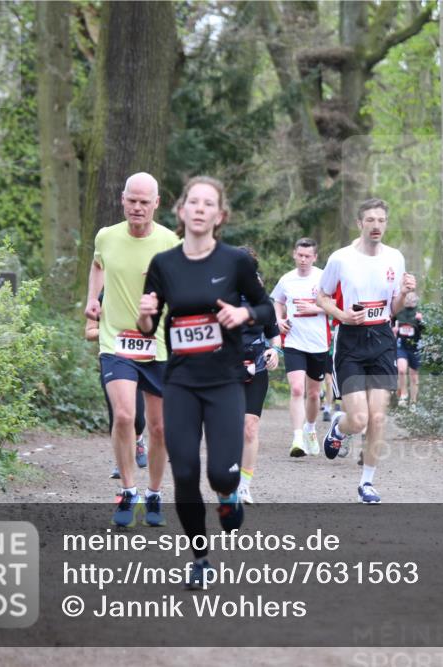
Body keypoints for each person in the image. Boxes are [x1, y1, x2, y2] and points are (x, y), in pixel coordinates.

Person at [137, 176, 274, 588]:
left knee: (221, 474)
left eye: (207, 203)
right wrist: (145, 313)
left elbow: (268, 310)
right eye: (192, 202)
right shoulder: (164, 265)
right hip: (180, 381)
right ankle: (199, 556)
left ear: (219, 215)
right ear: (181, 212)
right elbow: (147, 328)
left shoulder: (236, 262)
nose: (198, 208)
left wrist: (244, 315)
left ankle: (229, 497)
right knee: (183, 473)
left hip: (225, 381)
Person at [84, 172, 179, 528]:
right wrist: (93, 299)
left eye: (145, 202)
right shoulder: (106, 237)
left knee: (160, 428)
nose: (137, 208)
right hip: (115, 342)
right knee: (124, 416)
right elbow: (97, 265)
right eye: (132, 201)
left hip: (159, 347)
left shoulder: (170, 242)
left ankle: (154, 493)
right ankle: (128, 491)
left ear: (156, 204)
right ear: (122, 200)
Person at [317, 198, 415, 504]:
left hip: (383, 339)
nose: (376, 226)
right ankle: (339, 427)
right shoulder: (341, 258)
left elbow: (394, 307)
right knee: (358, 419)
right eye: (370, 220)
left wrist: (406, 293)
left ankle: (367, 483)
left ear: (386, 223)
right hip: (350, 341)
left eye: (381, 220)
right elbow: (321, 296)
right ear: (360, 224)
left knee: (378, 418)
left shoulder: (395, 258)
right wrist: (343, 316)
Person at [270, 238, 330, 457]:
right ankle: (297, 438)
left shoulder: (324, 277)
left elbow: (337, 307)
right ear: (294, 254)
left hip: (318, 343)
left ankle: (310, 429)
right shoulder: (286, 279)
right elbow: (277, 300)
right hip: (294, 341)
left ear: (315, 257)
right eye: (300, 255)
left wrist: (316, 308)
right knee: (297, 389)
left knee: (313, 394)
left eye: (308, 256)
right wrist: (278, 320)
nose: (303, 260)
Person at [84, 291, 148, 478]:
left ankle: (138, 440)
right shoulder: (102, 297)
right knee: (118, 415)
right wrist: (113, 331)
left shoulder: (139, 292)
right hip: (112, 359)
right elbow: (89, 333)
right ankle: (121, 463)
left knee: (137, 417)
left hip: (139, 360)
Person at [237, 246, 281, 505]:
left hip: (257, 365)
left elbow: (274, 333)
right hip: (224, 368)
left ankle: (244, 485)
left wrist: (275, 350)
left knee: (250, 428)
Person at [392, 291, 424, 407]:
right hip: (401, 345)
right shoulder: (399, 313)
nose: (410, 300)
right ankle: (403, 395)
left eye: (412, 299)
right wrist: (393, 331)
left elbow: (425, 330)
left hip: (415, 347)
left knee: (414, 377)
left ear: (416, 300)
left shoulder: (419, 313)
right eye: (408, 298)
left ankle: (414, 402)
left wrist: (420, 321)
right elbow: (391, 324)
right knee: (401, 369)